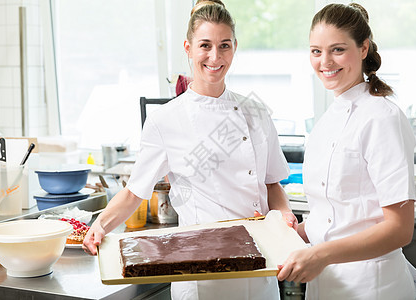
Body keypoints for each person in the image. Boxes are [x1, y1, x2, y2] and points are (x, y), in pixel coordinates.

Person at [83, 0, 297, 299]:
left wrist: (285, 214)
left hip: (261, 267)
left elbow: (272, 183)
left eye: (224, 45)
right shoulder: (166, 119)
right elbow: (134, 192)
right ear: (188, 47)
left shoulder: (256, 112)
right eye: (205, 45)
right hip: (202, 273)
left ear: (235, 47)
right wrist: (100, 225)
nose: (214, 56)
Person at [277, 3, 416, 299]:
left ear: (364, 48)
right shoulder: (328, 118)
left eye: (338, 50)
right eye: (316, 51)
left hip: (372, 284)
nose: (325, 62)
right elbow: (333, 216)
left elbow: (399, 229)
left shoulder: (382, 117)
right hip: (327, 281)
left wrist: (320, 254)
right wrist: (284, 233)